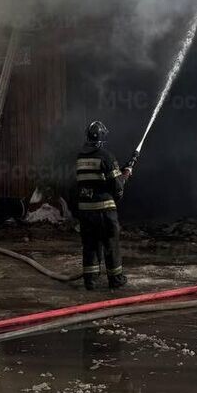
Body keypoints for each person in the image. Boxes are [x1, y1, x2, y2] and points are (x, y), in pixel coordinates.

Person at [75, 120, 131, 291]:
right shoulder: (106, 156)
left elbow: (95, 180)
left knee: (90, 245)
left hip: (86, 212)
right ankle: (115, 279)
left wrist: (119, 173)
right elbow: (116, 187)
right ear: (101, 139)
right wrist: (126, 175)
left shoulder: (80, 158)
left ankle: (90, 281)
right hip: (104, 211)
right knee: (110, 244)